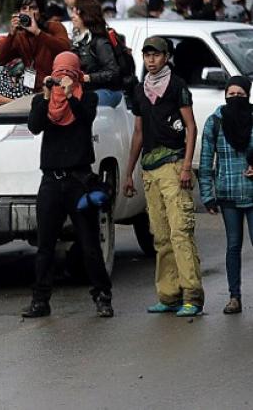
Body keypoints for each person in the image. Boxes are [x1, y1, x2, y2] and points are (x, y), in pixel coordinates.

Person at [21, 52, 113, 318]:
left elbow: (86, 119)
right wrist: (48, 96)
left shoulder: (87, 97)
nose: (62, 75)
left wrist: (71, 94)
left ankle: (102, 296)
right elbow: (34, 126)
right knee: (45, 245)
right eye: (58, 71)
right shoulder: (44, 100)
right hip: (51, 180)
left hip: (78, 180)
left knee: (89, 243)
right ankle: (40, 300)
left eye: (67, 71)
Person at [124, 36, 204, 317]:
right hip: (149, 169)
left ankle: (192, 295)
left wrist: (185, 166)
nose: (151, 60)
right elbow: (138, 132)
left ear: (166, 57)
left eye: (156, 55)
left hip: (173, 164)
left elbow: (191, 128)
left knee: (180, 231)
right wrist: (129, 173)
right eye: (147, 55)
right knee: (160, 235)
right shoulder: (140, 90)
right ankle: (169, 295)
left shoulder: (177, 86)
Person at [198, 76, 253, 315]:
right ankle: (234, 297)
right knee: (233, 246)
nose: (235, 100)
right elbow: (206, 161)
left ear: (248, 96)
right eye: (231, 95)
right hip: (228, 194)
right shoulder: (215, 122)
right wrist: (207, 195)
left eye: (240, 95)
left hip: (252, 193)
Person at [0, 0, 71, 92]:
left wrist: (38, 32)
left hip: (57, 88)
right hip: (34, 91)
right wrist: (11, 34)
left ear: (41, 12)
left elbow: (65, 50)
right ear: (18, 13)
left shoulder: (54, 27)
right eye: (24, 8)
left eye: (33, 8)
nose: (28, 12)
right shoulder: (19, 35)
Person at [69, 0, 122, 107]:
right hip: (87, 91)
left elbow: (113, 72)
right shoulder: (76, 40)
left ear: (87, 16)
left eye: (77, 13)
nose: (72, 16)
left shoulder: (100, 42)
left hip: (107, 91)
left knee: (85, 103)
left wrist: (88, 77)